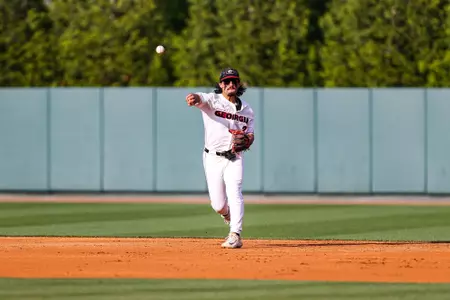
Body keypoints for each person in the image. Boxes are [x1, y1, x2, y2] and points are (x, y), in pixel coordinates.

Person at [185, 67, 255, 249]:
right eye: (226, 81)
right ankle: (228, 215)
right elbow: (199, 97)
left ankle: (235, 234)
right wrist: (194, 98)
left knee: (235, 190)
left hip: (234, 157)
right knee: (218, 205)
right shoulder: (212, 100)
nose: (230, 84)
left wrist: (247, 140)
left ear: (238, 84)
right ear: (220, 85)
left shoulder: (247, 110)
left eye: (234, 81)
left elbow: (250, 135)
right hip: (212, 158)